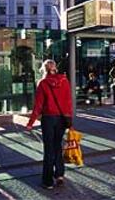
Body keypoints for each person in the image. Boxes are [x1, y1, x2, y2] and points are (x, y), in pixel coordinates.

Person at [26, 60, 73, 190]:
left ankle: (48, 181)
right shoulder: (64, 81)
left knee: (49, 149)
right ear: (55, 68)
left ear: (44, 70)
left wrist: (30, 123)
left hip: (48, 119)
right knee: (58, 145)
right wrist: (69, 119)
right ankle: (59, 175)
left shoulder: (42, 83)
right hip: (62, 119)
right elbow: (68, 101)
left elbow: (38, 105)